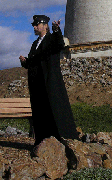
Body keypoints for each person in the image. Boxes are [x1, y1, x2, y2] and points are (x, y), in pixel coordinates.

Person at [19, 15, 78, 149]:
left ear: (45, 25)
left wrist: (57, 30)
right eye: (33, 25)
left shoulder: (52, 39)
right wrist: (25, 62)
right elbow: (33, 62)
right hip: (37, 84)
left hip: (50, 82)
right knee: (40, 112)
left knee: (54, 110)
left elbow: (59, 44)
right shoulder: (35, 43)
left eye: (36, 24)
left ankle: (62, 140)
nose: (34, 27)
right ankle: (41, 141)